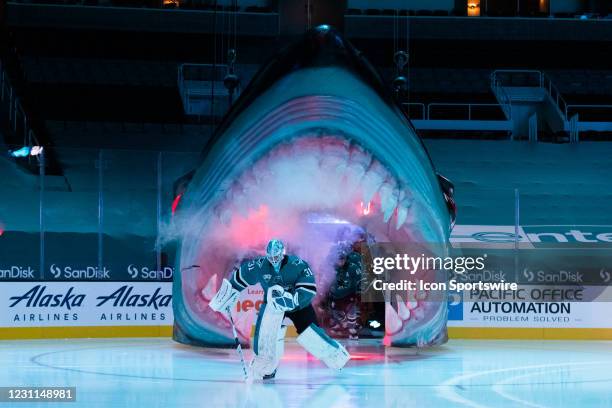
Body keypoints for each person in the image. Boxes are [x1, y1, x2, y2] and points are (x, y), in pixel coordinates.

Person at [209, 239, 350, 380]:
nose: (273, 260)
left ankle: (337, 359)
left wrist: (293, 300)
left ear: (283, 254)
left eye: (276, 257)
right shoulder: (259, 265)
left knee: (311, 334)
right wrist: (230, 293)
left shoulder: (297, 264)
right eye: (270, 257)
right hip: (272, 305)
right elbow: (241, 277)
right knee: (266, 336)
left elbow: (308, 288)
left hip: (297, 305)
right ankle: (267, 368)